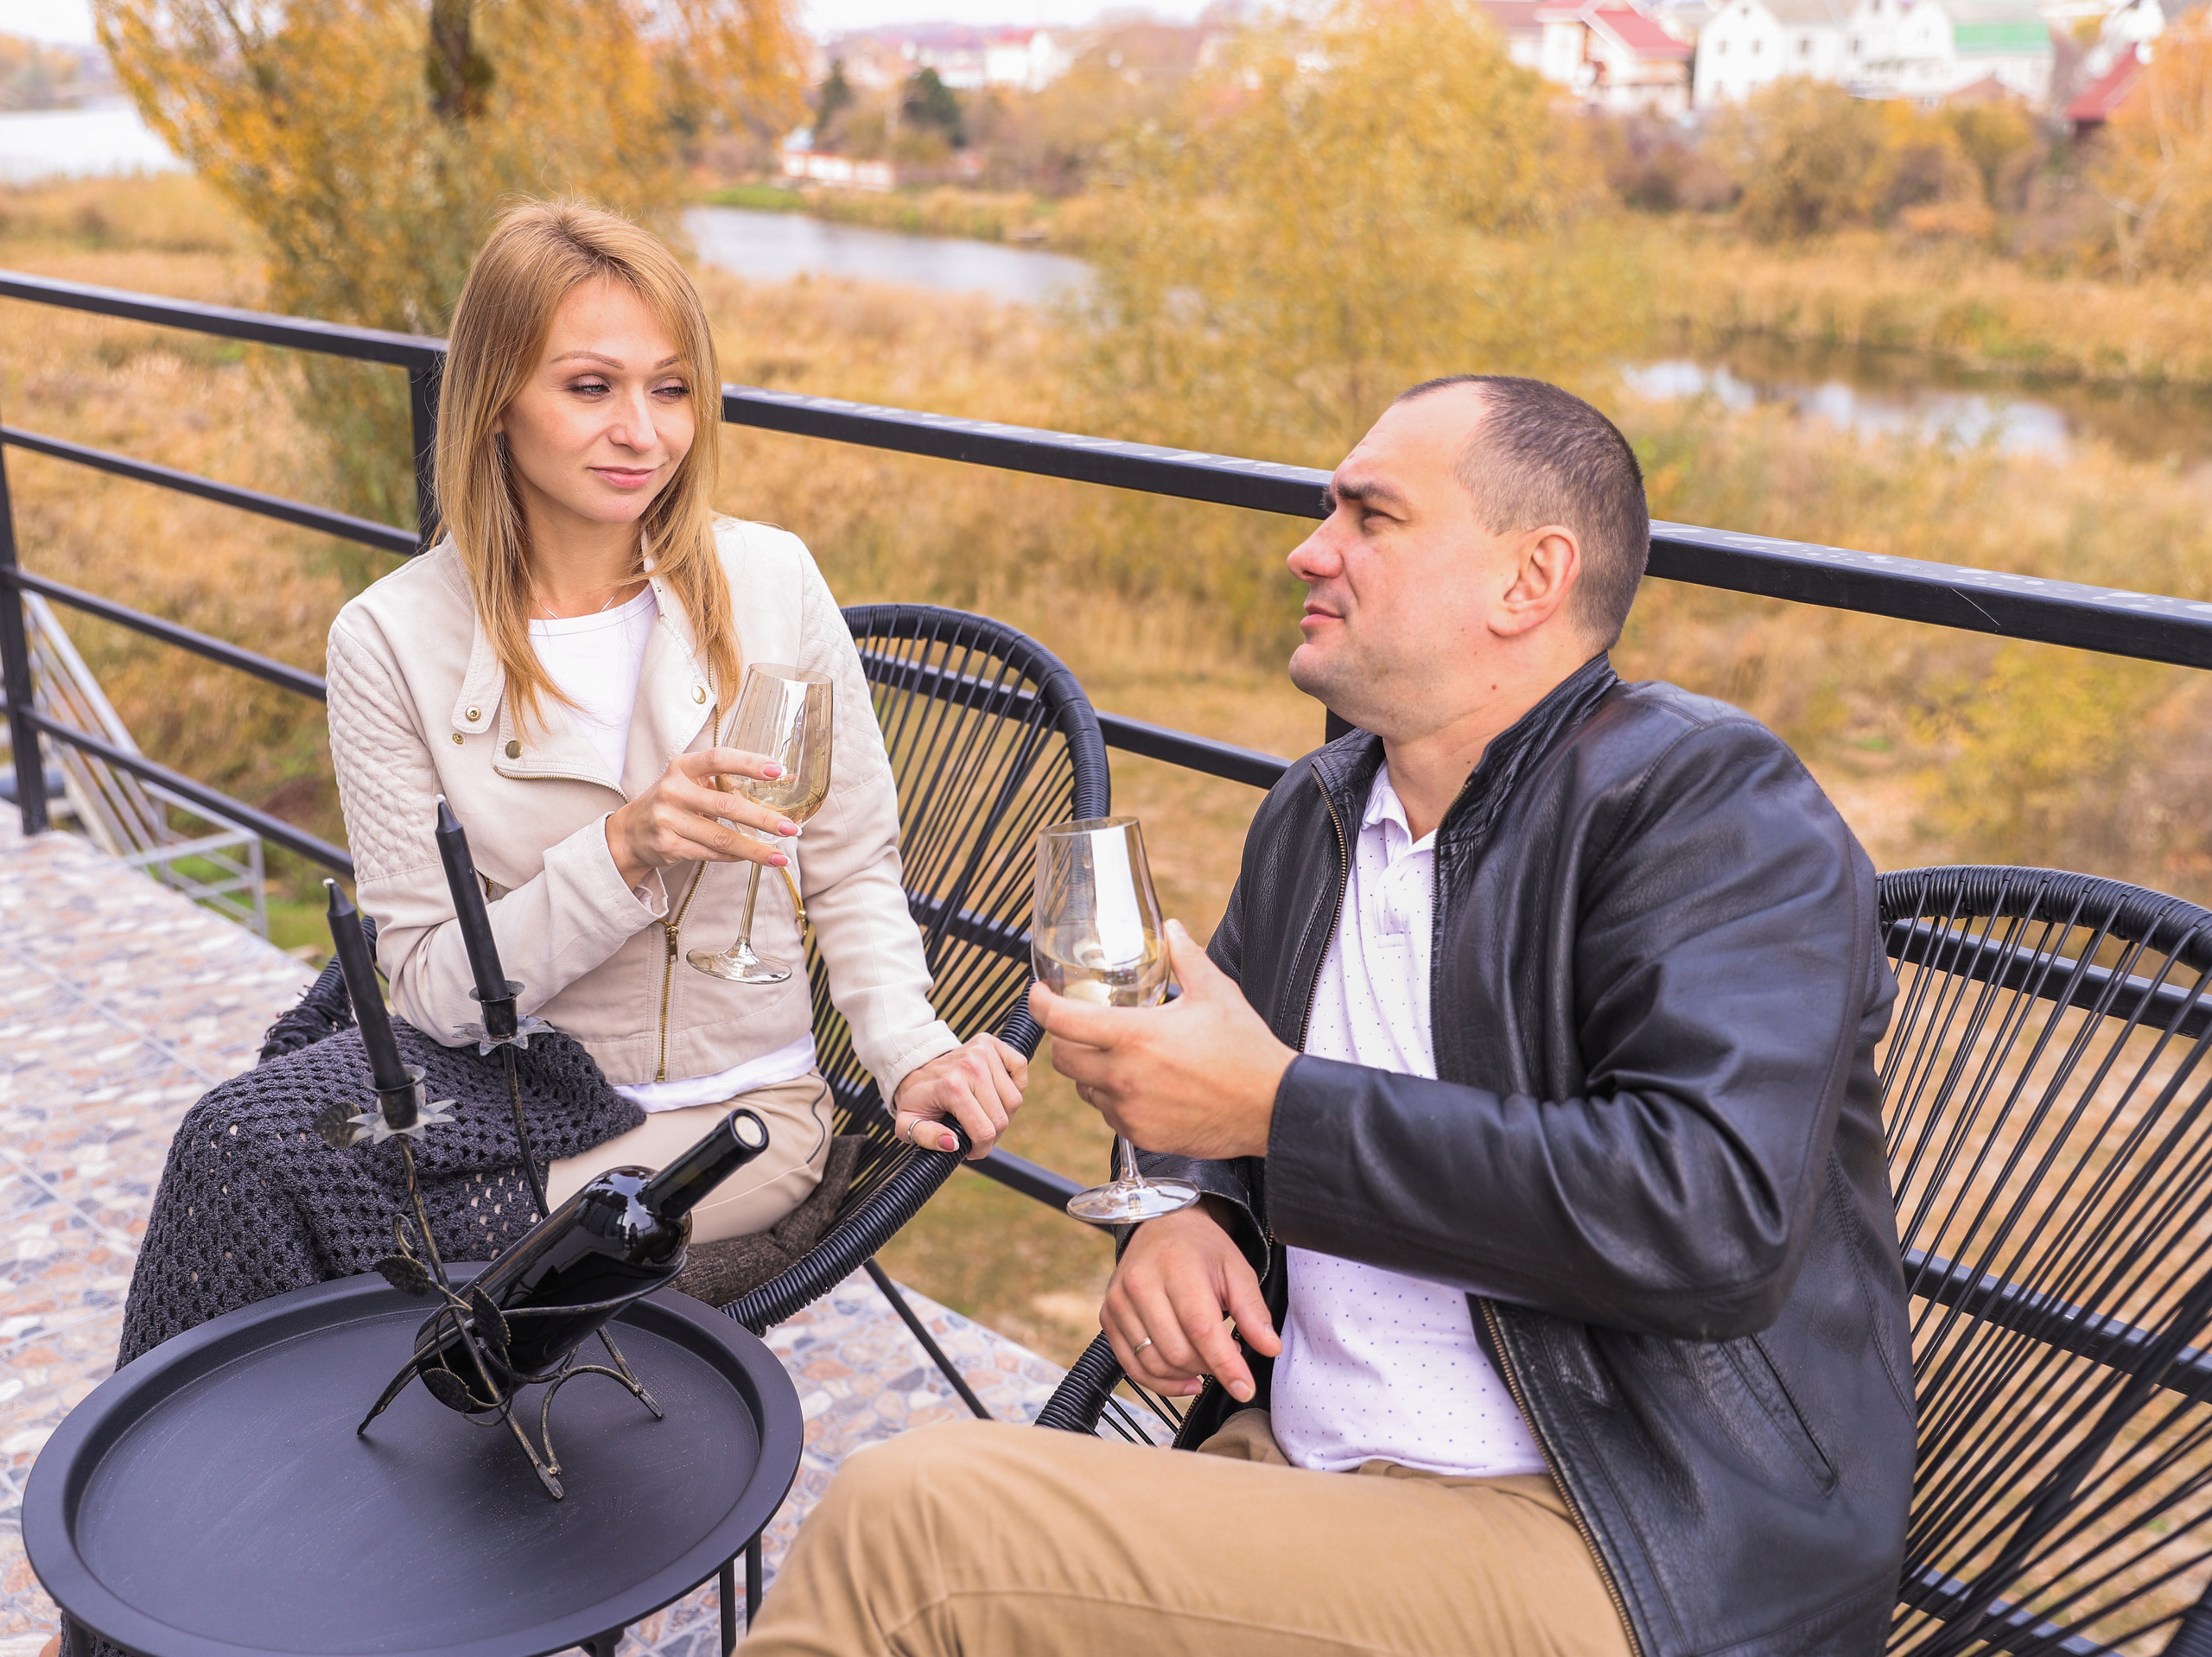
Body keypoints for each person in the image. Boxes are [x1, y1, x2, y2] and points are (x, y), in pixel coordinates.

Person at [742, 376, 1914, 1657]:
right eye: (1324, 510)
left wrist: (1276, 1111)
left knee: (912, 1525)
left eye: (1371, 514)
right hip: (1301, 1457)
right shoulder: (1319, 809)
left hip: (1613, 1534)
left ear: (1528, 580)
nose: (1309, 547)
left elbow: (1709, 1216)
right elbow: (1213, 1083)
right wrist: (1186, 1205)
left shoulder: (1705, 806)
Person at [324, 200, 1025, 1241]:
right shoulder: (386, 638)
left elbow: (847, 866)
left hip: (735, 1116)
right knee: (250, 1161)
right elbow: (428, 989)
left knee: (387, 1245)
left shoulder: (770, 578)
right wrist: (621, 851)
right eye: (590, 387)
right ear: (494, 401)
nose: (642, 434)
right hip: (512, 1108)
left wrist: (912, 1051)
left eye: (671, 389)